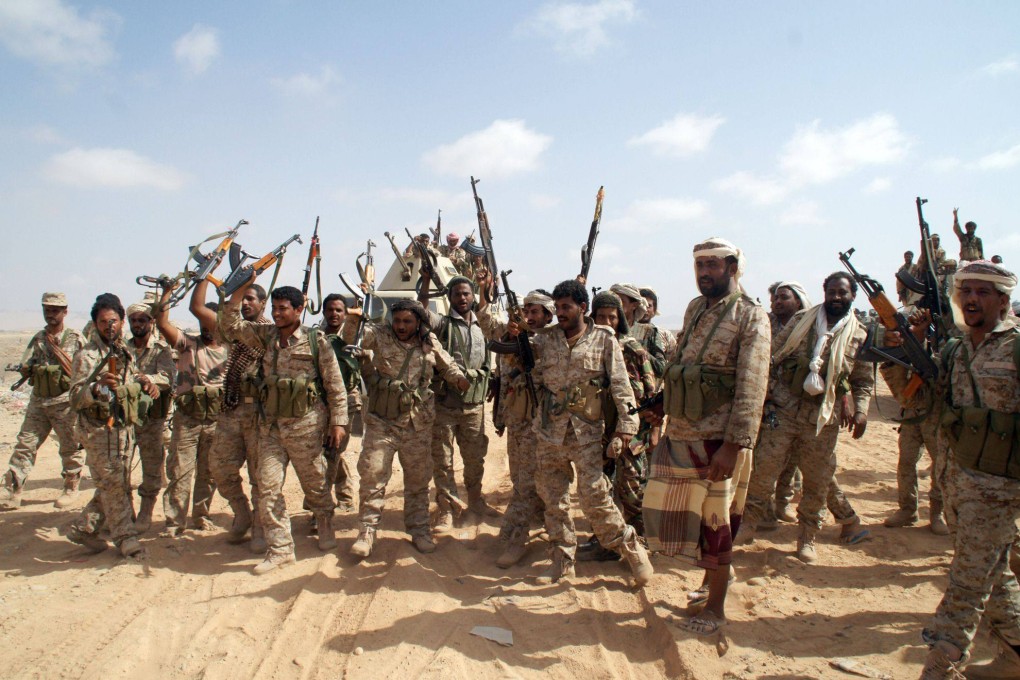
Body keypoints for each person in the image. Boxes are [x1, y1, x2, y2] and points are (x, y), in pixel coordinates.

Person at [642, 237, 770, 635]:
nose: (705, 273)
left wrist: (733, 446)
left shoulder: (752, 316)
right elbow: (683, 360)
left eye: (714, 266)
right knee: (690, 520)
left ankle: (716, 608)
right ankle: (710, 582)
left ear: (733, 268)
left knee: (718, 524)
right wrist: (662, 400)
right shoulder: (697, 308)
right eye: (700, 266)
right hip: (681, 432)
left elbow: (752, 386)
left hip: (719, 440)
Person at [513, 279, 653, 586]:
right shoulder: (545, 339)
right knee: (553, 500)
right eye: (557, 307)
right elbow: (509, 340)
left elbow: (620, 385)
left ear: (582, 308)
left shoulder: (603, 339)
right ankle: (563, 560)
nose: (560, 313)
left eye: (566, 307)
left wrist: (626, 428)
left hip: (585, 433)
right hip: (549, 432)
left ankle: (629, 546)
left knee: (594, 498)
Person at [919, 261, 1020, 679]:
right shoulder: (956, 349)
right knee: (994, 579)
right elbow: (925, 405)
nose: (972, 299)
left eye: (982, 291)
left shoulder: (1015, 347)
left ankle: (941, 664)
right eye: (966, 291)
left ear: (1003, 300)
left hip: (1000, 493)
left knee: (966, 585)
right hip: (957, 483)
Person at [742, 272, 873, 562]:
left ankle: (807, 537)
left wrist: (861, 409)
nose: (837, 298)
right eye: (832, 292)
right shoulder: (801, 322)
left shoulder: (859, 334)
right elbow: (773, 358)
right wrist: (771, 396)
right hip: (785, 411)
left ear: (853, 296)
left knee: (816, 481)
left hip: (823, 419)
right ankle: (747, 526)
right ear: (824, 292)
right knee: (763, 470)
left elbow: (863, 380)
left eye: (843, 293)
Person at [222, 282, 349, 575]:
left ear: (299, 310)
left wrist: (338, 423)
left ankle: (325, 521)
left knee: (315, 481)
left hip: (306, 426)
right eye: (275, 308)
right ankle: (280, 549)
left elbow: (335, 386)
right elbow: (230, 324)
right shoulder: (264, 336)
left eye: (283, 309)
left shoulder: (316, 341)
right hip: (270, 428)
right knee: (267, 487)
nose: (277, 314)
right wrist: (239, 289)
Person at [342, 298, 468, 558]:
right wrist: (354, 317)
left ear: (418, 322)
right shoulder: (379, 335)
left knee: (418, 479)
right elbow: (351, 339)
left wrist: (460, 379)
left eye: (407, 321)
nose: (401, 326)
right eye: (397, 320)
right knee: (373, 475)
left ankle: (419, 529)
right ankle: (367, 531)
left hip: (418, 423)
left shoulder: (429, 341)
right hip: (382, 420)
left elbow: (446, 363)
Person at [474, 275, 552, 568]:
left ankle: (521, 534)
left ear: (547, 315)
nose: (530, 316)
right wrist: (485, 292)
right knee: (522, 477)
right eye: (526, 311)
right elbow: (486, 324)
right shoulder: (511, 334)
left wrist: (524, 344)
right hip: (516, 420)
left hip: (539, 423)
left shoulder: (549, 341)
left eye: (535, 312)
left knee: (528, 481)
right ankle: (526, 524)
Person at [577, 290, 657, 562]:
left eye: (612, 317)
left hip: (631, 434)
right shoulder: (588, 346)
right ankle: (605, 541)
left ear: (620, 319)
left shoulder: (633, 348)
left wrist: (646, 431)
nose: (606, 322)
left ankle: (640, 544)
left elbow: (649, 393)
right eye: (600, 317)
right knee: (602, 490)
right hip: (599, 432)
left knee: (632, 491)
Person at [65, 294, 143, 557]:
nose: (109, 326)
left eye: (113, 321)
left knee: (114, 482)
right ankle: (125, 538)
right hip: (98, 430)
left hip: (122, 427)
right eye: (102, 322)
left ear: (121, 322)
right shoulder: (86, 356)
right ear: (95, 324)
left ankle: (84, 529)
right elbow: (75, 397)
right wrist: (96, 389)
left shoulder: (126, 351)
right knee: (113, 483)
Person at [418, 275, 496, 531]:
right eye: (457, 294)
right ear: (449, 298)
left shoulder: (482, 326)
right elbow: (421, 312)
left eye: (466, 294)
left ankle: (476, 501)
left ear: (472, 296)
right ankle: (446, 509)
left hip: (474, 405)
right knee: (443, 460)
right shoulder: (443, 323)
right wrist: (426, 282)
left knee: (475, 459)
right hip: (445, 404)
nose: (462, 298)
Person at [155, 279, 228, 536]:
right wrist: (166, 293)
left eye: (211, 323)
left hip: (216, 421)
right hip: (188, 419)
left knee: (208, 473)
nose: (208, 329)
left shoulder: (230, 350)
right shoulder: (188, 344)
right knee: (179, 472)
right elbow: (162, 323)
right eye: (203, 324)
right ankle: (174, 522)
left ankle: (201, 515)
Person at [0, 292, 85, 510]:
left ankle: (70, 487)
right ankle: (14, 489)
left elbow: (87, 368)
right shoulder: (39, 339)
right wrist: (32, 369)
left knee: (70, 447)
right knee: (25, 445)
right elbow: (26, 364)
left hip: (65, 403)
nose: (50, 314)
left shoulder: (75, 338)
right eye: (47, 310)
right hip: (39, 402)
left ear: (65, 312)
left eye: (55, 310)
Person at [209, 282, 270, 552]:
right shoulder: (236, 333)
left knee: (260, 476)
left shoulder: (268, 333)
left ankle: (259, 526)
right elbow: (211, 313)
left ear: (263, 303)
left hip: (259, 412)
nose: (245, 304)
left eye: (250, 299)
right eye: (242, 300)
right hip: (232, 408)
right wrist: (237, 286)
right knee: (220, 468)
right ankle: (241, 512)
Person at [880, 308, 950, 535]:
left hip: (936, 412)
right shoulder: (915, 334)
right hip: (912, 412)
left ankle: (937, 513)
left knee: (939, 465)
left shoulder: (952, 339)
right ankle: (908, 510)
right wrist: (916, 333)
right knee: (906, 461)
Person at [123, 296, 175, 532]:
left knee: (152, 468)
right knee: (120, 468)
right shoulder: (122, 349)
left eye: (142, 319)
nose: (138, 324)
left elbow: (168, 377)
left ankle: (146, 512)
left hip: (152, 419)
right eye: (133, 320)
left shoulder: (161, 349)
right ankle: (124, 513)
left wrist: (148, 379)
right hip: (125, 418)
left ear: (151, 322)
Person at [764, 281, 811, 526]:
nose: (777, 303)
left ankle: (783, 503)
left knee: (792, 460)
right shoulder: (765, 323)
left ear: (798, 300)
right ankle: (766, 508)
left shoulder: (811, 327)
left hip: (800, 402)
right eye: (774, 299)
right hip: (771, 400)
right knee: (768, 458)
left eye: (783, 298)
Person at [318, 293, 363, 513]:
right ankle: (344, 493)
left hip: (346, 401)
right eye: (330, 310)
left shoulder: (349, 335)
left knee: (332, 452)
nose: (334, 314)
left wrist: (356, 308)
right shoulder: (316, 336)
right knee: (324, 452)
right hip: (319, 403)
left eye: (339, 310)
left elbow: (356, 322)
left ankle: (322, 507)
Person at [611, 283, 667, 377]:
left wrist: (639, 352)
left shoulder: (648, 331)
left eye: (621, 302)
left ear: (634, 305)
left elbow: (661, 368)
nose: (616, 306)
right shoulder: (608, 330)